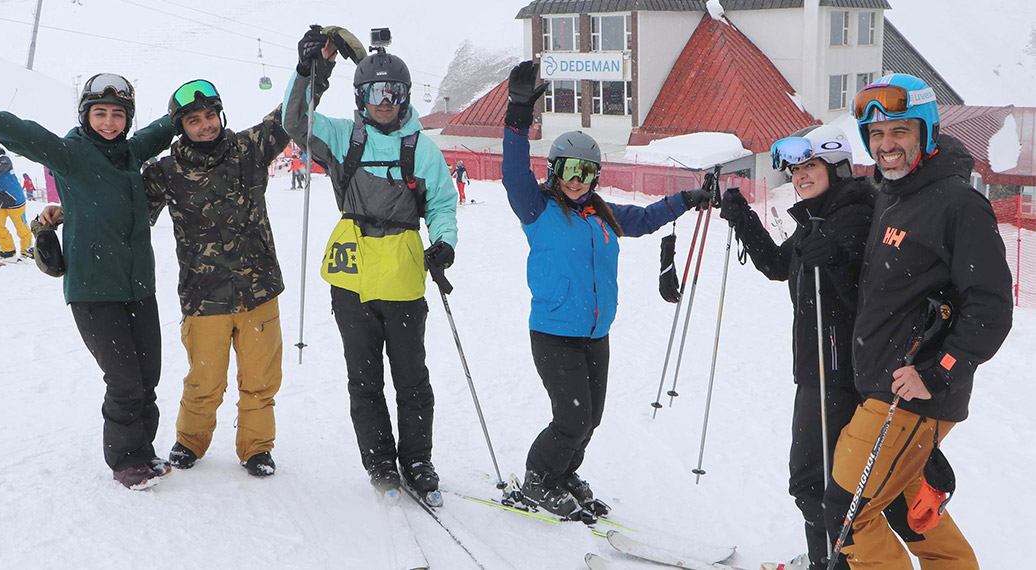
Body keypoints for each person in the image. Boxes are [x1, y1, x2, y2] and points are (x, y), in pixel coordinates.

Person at [0, 63, 176, 490]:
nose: (109, 123)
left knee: (148, 379)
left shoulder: (129, 153)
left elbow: (162, 131)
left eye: (118, 115)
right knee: (125, 381)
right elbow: (23, 132)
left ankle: (144, 451)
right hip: (94, 290)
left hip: (140, 286)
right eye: (100, 113)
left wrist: (186, 108)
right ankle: (126, 461)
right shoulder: (70, 154)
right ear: (86, 115)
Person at [501, 60, 712, 517]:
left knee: (589, 419)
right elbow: (513, 173)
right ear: (555, 171)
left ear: (595, 175)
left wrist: (686, 200)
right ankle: (538, 480)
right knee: (572, 418)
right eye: (568, 170)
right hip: (554, 333)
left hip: (596, 334)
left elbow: (645, 219)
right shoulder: (537, 210)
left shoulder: (602, 214)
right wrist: (518, 116)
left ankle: (563, 472)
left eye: (586, 171)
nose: (577, 180)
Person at [821, 73, 1013, 569]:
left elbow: (990, 307)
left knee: (848, 512)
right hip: (884, 387)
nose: (887, 145)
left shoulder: (957, 204)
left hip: (912, 395)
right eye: (877, 134)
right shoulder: (893, 194)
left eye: (900, 131)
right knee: (911, 511)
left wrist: (938, 371)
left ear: (926, 132)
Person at [284, 27, 458, 494]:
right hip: (353, 276)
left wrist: (443, 241)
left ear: (404, 96)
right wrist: (309, 72)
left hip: (402, 275)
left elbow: (441, 203)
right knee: (363, 379)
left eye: (394, 93)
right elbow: (295, 120)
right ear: (362, 97)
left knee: (412, 380)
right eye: (376, 93)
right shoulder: (344, 138)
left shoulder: (421, 148)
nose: (386, 101)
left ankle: (417, 462)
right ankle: (380, 460)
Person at [720, 125, 874, 570]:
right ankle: (825, 559)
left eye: (811, 166)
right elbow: (777, 265)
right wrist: (744, 219)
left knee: (816, 481)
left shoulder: (857, 216)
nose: (801, 176)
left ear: (838, 167)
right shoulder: (818, 218)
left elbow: (866, 295)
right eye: (797, 169)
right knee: (820, 480)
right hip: (816, 368)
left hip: (840, 373)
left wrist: (841, 260)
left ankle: (834, 562)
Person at [142, 79, 290, 478]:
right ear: (181, 126)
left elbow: (291, 113)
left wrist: (315, 66)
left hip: (259, 292)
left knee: (260, 381)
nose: (205, 125)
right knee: (204, 381)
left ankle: (256, 449)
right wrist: (64, 215)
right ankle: (190, 441)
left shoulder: (248, 150)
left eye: (210, 116)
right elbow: (122, 210)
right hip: (204, 296)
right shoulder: (165, 172)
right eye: (194, 120)